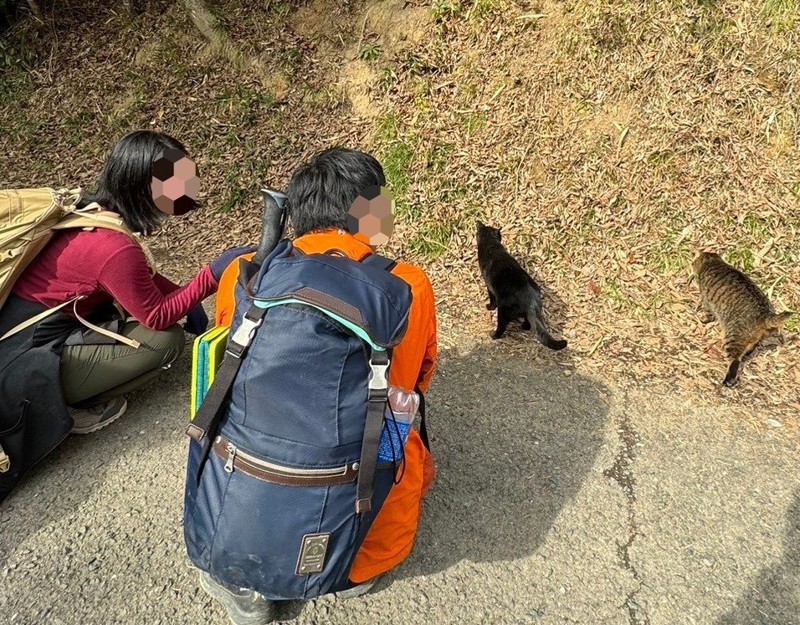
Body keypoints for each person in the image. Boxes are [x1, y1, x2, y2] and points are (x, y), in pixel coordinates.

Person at [202, 147, 438, 624]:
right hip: (361, 532)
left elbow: (223, 363)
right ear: (365, 211)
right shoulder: (406, 286)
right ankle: (355, 571)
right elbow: (417, 377)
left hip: (244, 492)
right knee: (407, 414)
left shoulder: (245, 273)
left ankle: (247, 581)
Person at [0, 130, 251, 501]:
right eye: (179, 179)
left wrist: (187, 294)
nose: (190, 185)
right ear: (144, 188)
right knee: (164, 343)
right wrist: (210, 277)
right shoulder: (113, 247)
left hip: (20, 341)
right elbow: (155, 316)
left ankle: (68, 389)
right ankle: (65, 408)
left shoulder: (88, 212)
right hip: (21, 367)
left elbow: (136, 277)